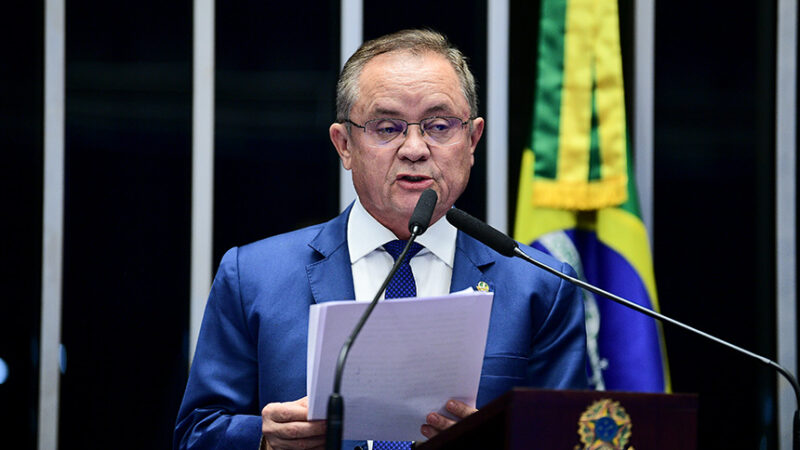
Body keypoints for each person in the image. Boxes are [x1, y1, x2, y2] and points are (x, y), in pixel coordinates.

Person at [174, 29, 587, 450]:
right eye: (387, 128)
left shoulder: (541, 286)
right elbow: (195, 435)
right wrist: (263, 440)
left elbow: (571, 438)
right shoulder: (255, 277)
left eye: (440, 126)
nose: (414, 148)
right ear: (345, 145)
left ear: (472, 140)